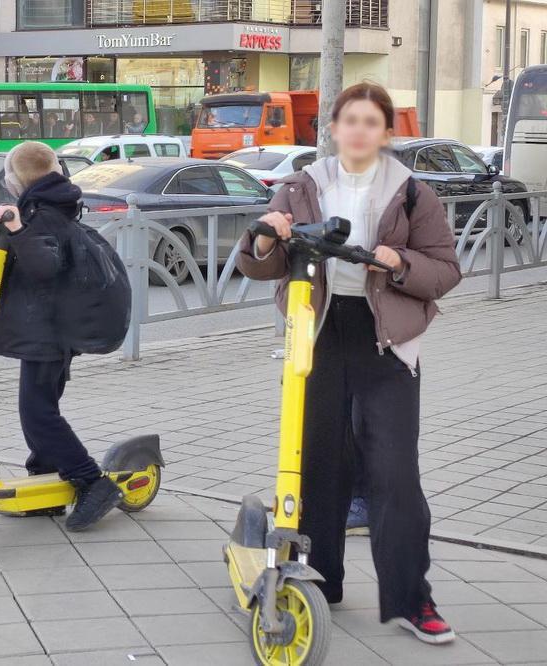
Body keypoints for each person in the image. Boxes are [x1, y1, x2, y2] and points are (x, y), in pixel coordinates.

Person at [236, 82, 462, 645]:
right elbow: (262, 262)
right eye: (349, 120)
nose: (359, 130)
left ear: (387, 132)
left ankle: (411, 598)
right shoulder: (302, 185)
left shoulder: (413, 194)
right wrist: (267, 242)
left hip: (386, 340)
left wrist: (400, 262)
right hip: (316, 336)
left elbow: (446, 270)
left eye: (371, 122)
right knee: (319, 466)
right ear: (333, 129)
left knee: (393, 472)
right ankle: (321, 580)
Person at [0, 141, 123, 532]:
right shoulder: (45, 203)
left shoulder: (45, 213)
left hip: (51, 332)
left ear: (18, 179)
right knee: (40, 409)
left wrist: (17, 227)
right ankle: (44, 479)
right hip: (49, 328)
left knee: (38, 413)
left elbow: (45, 264)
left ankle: (93, 482)